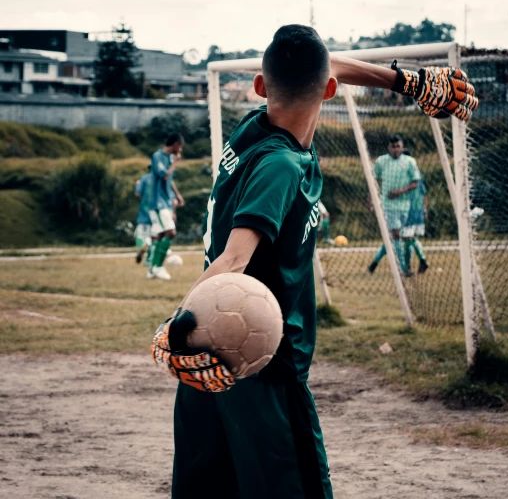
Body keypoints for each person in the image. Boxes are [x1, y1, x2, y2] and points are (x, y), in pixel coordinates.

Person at [151, 25, 478, 499]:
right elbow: (234, 258)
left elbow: (330, 64)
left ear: (261, 86)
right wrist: (177, 325)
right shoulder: (281, 166)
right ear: (329, 91)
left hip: (210, 360)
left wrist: (407, 82)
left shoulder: (251, 127)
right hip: (262, 366)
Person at [368, 134, 420, 276]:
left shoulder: (409, 162)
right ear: (388, 148)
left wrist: (400, 191)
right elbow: (375, 181)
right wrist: (372, 199)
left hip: (405, 205)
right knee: (396, 235)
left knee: (401, 238)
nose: (396, 149)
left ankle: (375, 262)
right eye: (393, 147)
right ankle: (403, 268)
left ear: (402, 146)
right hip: (388, 205)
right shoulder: (381, 161)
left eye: (398, 146)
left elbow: (415, 182)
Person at [147, 133, 185, 281]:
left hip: (166, 200)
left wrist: (177, 195)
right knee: (171, 232)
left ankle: (152, 270)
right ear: (175, 144)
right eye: (180, 146)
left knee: (160, 235)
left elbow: (170, 180)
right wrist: (175, 163)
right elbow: (164, 175)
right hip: (158, 202)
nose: (180, 150)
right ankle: (158, 267)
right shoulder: (157, 156)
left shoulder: (169, 159)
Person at [402, 150, 429, 274]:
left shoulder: (404, 175)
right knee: (411, 238)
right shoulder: (418, 175)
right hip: (417, 210)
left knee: (407, 238)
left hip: (409, 210)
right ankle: (422, 260)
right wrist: (424, 209)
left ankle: (407, 267)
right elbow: (424, 193)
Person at [134, 166, 153, 265]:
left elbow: (138, 194)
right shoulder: (161, 179)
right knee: (154, 237)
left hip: (144, 214)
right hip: (158, 213)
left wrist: (138, 185)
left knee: (140, 235)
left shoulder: (145, 178)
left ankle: (144, 245)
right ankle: (149, 261)